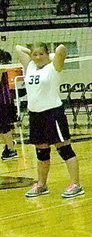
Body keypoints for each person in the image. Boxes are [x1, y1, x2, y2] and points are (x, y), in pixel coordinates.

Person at [16, 43, 83, 198]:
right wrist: (32, 52)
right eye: (35, 54)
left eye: (41, 54)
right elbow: (19, 48)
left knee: (64, 149)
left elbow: (61, 49)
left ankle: (76, 184)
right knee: (41, 152)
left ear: (47, 54)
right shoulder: (30, 66)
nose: (38, 57)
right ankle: (41, 185)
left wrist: (50, 57)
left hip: (53, 114)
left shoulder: (53, 67)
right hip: (35, 115)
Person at [0, 50, 18, 160]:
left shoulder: (2, 69)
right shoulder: (4, 68)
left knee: (4, 127)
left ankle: (11, 149)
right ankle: (9, 145)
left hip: (2, 102)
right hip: (6, 101)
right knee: (5, 127)